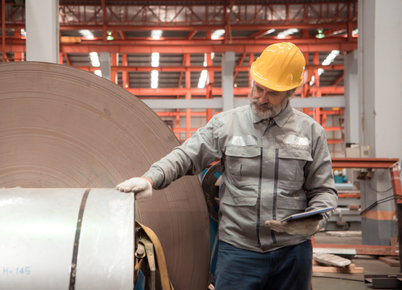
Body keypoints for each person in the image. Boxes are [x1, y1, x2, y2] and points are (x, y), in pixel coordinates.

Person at [116, 42, 338, 290]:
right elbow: (186, 155)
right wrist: (151, 179)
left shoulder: (311, 133)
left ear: (291, 92)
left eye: (272, 93)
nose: (261, 98)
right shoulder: (226, 125)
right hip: (239, 254)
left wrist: (318, 218)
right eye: (258, 88)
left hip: (292, 253)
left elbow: (324, 190)